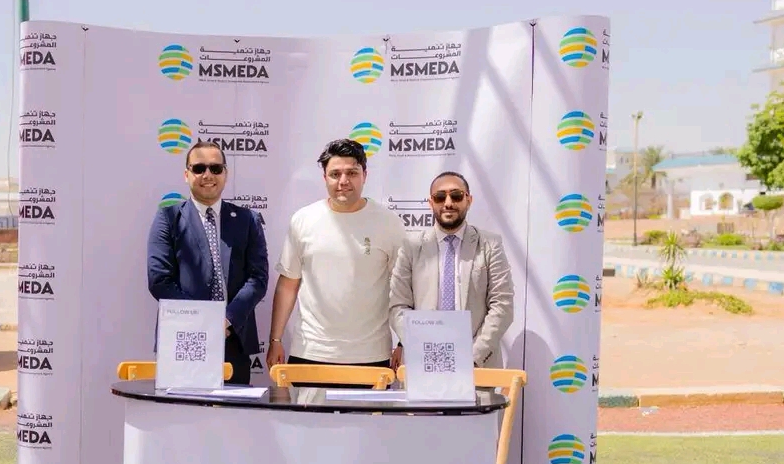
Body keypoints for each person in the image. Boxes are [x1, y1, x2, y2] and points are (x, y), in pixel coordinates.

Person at [266, 138, 406, 372]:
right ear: (324, 178)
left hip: (370, 354)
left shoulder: (389, 223)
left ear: (365, 175)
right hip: (311, 351)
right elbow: (288, 284)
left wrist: (403, 341)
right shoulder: (303, 220)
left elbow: (404, 288)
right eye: (335, 174)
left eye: (352, 173)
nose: (343, 181)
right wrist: (275, 339)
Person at [147, 141, 268, 385]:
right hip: (184, 338)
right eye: (199, 168)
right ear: (187, 174)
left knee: (233, 409)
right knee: (185, 409)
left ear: (225, 173)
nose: (208, 175)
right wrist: (202, 321)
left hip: (233, 336)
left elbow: (258, 279)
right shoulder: (168, 218)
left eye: (215, 168)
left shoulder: (247, 219)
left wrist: (226, 320)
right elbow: (159, 280)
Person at [389, 171, 514, 369]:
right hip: (424, 364)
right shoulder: (411, 247)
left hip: (477, 366)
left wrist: (472, 356)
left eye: (456, 196)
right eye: (440, 197)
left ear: (469, 200)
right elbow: (398, 306)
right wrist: (427, 351)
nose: (448, 203)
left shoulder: (490, 245)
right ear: (431, 203)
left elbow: (502, 306)